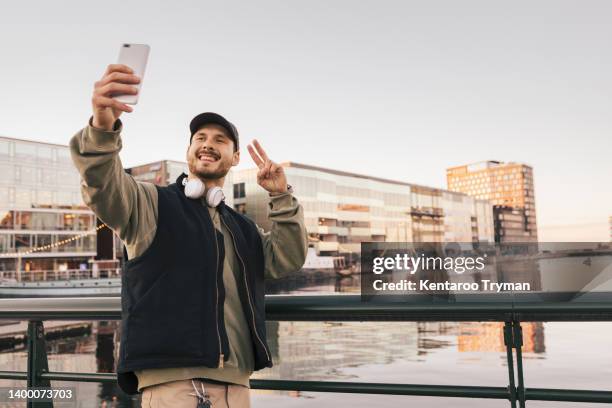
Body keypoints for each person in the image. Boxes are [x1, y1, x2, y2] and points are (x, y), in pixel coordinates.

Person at [70, 64, 308, 407]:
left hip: (236, 387)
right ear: (189, 151)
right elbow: (101, 182)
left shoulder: (242, 228)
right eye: (200, 138)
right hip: (172, 385)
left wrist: (281, 195)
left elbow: (288, 257)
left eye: (220, 140)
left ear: (235, 157)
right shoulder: (150, 204)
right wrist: (102, 126)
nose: (208, 145)